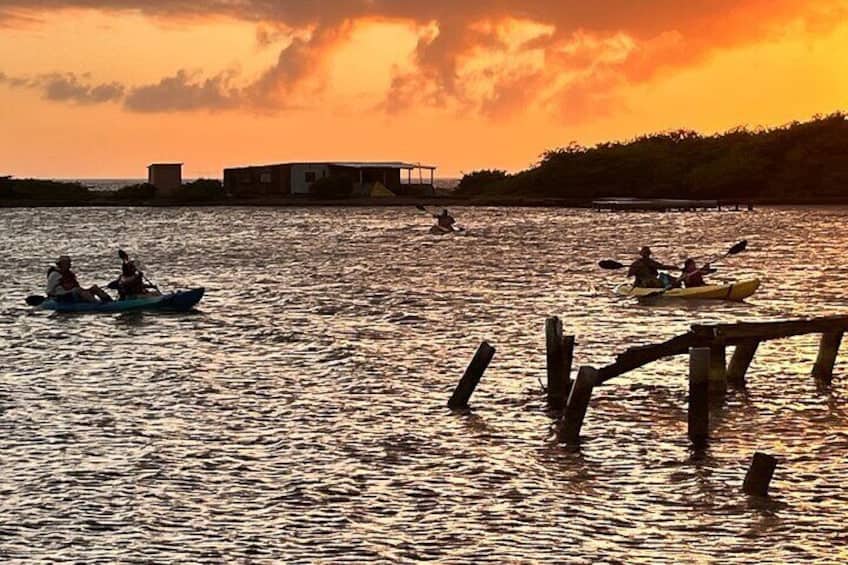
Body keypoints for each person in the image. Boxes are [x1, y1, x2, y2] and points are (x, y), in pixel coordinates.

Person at [46, 255, 113, 303]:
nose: (69, 265)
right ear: (61, 264)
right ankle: (96, 304)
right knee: (78, 290)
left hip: (74, 295)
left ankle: (109, 302)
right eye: (67, 263)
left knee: (94, 288)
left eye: (69, 263)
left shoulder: (69, 274)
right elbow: (49, 291)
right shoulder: (54, 275)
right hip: (62, 297)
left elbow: (76, 286)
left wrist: (84, 291)